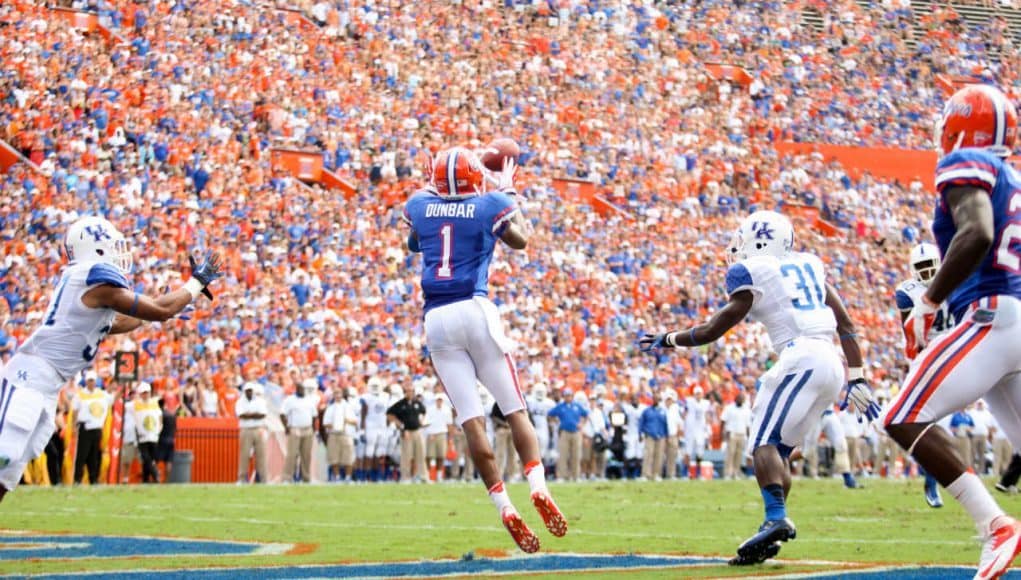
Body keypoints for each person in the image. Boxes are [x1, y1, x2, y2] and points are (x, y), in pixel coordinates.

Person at [640, 209, 878, 565]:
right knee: (779, 452)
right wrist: (858, 375)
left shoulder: (759, 271)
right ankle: (772, 532)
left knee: (762, 444)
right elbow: (845, 323)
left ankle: (776, 517)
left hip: (801, 357)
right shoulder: (809, 267)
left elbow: (713, 330)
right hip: (832, 363)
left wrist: (668, 339)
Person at [882, 84, 1021, 579]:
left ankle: (995, 526)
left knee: (901, 416)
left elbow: (978, 232)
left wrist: (930, 298)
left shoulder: (968, 159)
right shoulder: (1013, 177)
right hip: (1015, 316)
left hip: (992, 316)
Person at [401, 148, 565, 552]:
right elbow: (521, 240)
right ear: (476, 179)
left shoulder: (420, 204)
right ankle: (537, 485)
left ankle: (504, 506)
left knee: (472, 421)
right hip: (475, 309)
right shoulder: (489, 203)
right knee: (514, 409)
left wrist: (438, 191)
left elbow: (413, 243)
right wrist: (509, 194)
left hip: (436, 320)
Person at [0, 215, 221, 501]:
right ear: (96, 247)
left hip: (46, 385)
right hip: (28, 379)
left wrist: (155, 315)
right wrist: (195, 285)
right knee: (4, 456)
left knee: (7, 475)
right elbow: (159, 309)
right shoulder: (93, 278)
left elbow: (114, 323)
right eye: (112, 246)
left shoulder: (87, 285)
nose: (119, 253)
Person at [894, 242, 954, 508]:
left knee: (943, 424)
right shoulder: (907, 291)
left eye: (931, 265)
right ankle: (932, 480)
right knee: (930, 423)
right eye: (922, 267)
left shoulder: (955, 278)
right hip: (926, 356)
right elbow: (909, 331)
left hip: (956, 352)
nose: (928, 271)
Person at [73, 370, 112, 485]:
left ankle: (93, 479)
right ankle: (77, 479)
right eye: (89, 381)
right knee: (82, 455)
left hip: (96, 427)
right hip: (85, 427)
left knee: (94, 455)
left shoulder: (101, 393)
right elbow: (75, 411)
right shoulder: (80, 394)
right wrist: (75, 425)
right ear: (86, 381)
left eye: (93, 381)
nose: (91, 383)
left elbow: (112, 399)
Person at [387, 383, 427, 483]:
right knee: (406, 456)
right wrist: (401, 427)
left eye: (412, 391)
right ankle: (405, 477)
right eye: (408, 391)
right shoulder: (400, 404)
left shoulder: (417, 403)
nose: (410, 393)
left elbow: (423, 412)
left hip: (417, 431)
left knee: (420, 454)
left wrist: (421, 421)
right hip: (406, 432)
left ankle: (422, 476)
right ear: (405, 393)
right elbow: (390, 414)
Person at [281, 379, 319, 483]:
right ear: (296, 389)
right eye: (300, 389)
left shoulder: (309, 400)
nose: (302, 391)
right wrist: (286, 427)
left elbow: (314, 416)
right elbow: (283, 414)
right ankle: (287, 478)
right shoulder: (290, 400)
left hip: (307, 429)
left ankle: (306, 478)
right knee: (292, 455)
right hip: (295, 428)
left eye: (303, 389)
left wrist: (314, 429)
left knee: (306, 455)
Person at [548, 388, 588, 483]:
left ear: (572, 396)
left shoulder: (577, 406)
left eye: (569, 395)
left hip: (576, 432)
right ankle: (561, 476)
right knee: (563, 455)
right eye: (566, 395)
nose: (568, 397)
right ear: (564, 396)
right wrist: (555, 421)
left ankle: (576, 476)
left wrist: (581, 424)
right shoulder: (560, 406)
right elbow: (550, 414)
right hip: (564, 432)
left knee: (576, 455)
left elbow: (586, 415)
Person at [323, 387, 358, 482]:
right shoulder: (330, 408)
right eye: (335, 393)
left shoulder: (348, 407)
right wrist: (333, 424)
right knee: (334, 458)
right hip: (334, 434)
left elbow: (355, 421)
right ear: (333, 395)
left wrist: (346, 420)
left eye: (339, 393)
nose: (337, 395)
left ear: (342, 394)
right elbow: (325, 423)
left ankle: (348, 477)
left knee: (348, 457)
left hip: (346, 434)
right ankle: (337, 477)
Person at [236, 381, 268, 483]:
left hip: (258, 429)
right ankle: (242, 478)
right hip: (246, 429)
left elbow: (262, 415)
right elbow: (241, 415)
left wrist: (248, 415)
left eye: (250, 390)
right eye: (247, 391)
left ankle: (263, 479)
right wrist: (254, 415)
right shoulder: (240, 402)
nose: (249, 392)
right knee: (244, 455)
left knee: (261, 455)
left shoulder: (260, 401)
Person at [360, 382, 390, 482]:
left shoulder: (386, 396)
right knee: (369, 451)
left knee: (379, 453)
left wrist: (388, 427)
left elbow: (388, 413)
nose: (375, 388)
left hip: (382, 427)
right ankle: (366, 476)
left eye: (377, 386)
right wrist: (362, 430)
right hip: (371, 426)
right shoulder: (366, 397)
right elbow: (363, 414)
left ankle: (376, 475)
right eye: (373, 386)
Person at [132, 382, 162, 484]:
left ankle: (146, 479)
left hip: (153, 435)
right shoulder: (136, 404)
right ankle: (155, 473)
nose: (145, 395)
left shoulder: (155, 403)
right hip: (142, 436)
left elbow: (159, 417)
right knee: (146, 457)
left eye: (147, 393)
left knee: (151, 459)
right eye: (143, 393)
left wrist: (159, 429)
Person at [423, 390, 453, 482]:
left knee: (441, 456)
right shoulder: (430, 409)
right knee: (429, 456)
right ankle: (427, 475)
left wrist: (450, 437)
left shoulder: (446, 410)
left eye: (440, 400)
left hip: (442, 433)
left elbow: (449, 424)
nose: (439, 401)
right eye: (437, 400)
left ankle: (439, 476)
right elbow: (426, 422)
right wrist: (429, 433)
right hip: (431, 434)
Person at [683, 386, 712, 479]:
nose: (698, 395)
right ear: (694, 394)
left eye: (700, 393)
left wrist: (707, 429)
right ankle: (685, 473)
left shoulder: (705, 403)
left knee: (700, 453)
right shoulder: (690, 402)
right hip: (691, 429)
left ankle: (698, 473)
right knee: (688, 451)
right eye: (697, 393)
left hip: (700, 429)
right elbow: (684, 413)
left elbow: (707, 416)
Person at [721, 392, 752, 479]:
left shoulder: (746, 410)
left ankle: (736, 472)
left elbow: (748, 425)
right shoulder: (729, 408)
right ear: (736, 399)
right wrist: (723, 435)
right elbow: (723, 421)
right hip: (732, 433)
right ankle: (728, 473)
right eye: (739, 398)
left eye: (742, 399)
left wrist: (749, 437)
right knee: (730, 454)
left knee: (739, 455)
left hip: (742, 434)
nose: (740, 400)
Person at [639, 393, 668, 480]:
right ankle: (645, 474)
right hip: (650, 435)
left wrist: (665, 435)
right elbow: (641, 423)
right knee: (648, 455)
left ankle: (656, 474)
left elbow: (665, 424)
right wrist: (640, 433)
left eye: (658, 399)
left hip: (661, 436)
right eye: (655, 399)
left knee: (659, 456)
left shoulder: (663, 411)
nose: (656, 401)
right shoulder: (647, 411)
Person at [526, 383, 555, 470]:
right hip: (531, 427)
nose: (539, 394)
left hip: (543, 428)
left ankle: (540, 470)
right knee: (529, 450)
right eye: (538, 392)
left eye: (541, 392)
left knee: (542, 451)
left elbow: (552, 418)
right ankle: (527, 471)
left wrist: (551, 428)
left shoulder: (549, 403)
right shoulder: (529, 400)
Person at [156, 398, 176, 483]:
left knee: (156, 460)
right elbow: (175, 428)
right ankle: (166, 481)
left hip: (161, 440)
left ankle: (156, 478)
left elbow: (158, 428)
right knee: (169, 461)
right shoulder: (171, 415)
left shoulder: (159, 415)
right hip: (171, 440)